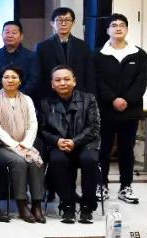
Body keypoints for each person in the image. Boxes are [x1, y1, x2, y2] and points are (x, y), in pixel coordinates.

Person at [93, 13, 147, 205]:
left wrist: (127, 100)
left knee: (127, 150)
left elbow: (142, 81)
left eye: (122, 25)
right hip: (105, 109)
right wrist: (113, 99)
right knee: (103, 149)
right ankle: (101, 185)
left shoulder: (139, 54)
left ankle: (126, 187)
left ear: (127, 29)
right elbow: (97, 80)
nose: (118, 28)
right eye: (114, 25)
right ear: (107, 30)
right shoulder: (98, 54)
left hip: (130, 110)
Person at [41, 65, 100, 224]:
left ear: (74, 81)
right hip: (59, 144)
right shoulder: (46, 103)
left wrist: (75, 141)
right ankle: (67, 204)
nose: (63, 83)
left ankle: (87, 205)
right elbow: (42, 130)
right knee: (57, 160)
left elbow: (93, 127)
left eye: (67, 79)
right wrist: (57, 141)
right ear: (52, 84)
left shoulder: (89, 99)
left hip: (85, 143)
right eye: (58, 80)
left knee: (90, 160)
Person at [0, 65, 44, 224]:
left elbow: (33, 124)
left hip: (25, 144)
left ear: (20, 81)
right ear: (1, 80)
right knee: (19, 162)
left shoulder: (27, 99)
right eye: (6, 77)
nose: (10, 80)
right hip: (1, 145)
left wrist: (25, 144)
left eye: (14, 77)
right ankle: (22, 204)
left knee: (36, 161)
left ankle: (37, 205)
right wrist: (15, 145)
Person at [35, 7, 95, 99]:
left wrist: (91, 98)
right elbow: (39, 76)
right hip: (51, 97)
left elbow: (89, 74)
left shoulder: (83, 46)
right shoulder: (42, 47)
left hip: (78, 96)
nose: (63, 24)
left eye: (67, 20)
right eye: (59, 20)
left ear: (73, 23)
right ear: (52, 23)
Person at [0, 21, 39, 96]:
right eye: (7, 32)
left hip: (23, 99)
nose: (10, 35)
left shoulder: (31, 56)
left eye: (14, 33)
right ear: (2, 35)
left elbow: (33, 80)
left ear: (21, 36)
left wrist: (17, 97)